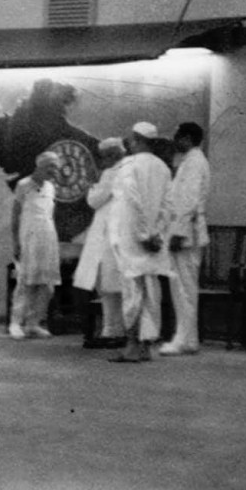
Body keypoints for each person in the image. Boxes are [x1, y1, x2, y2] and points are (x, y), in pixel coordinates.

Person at [109, 122, 173, 362]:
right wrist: (157, 233)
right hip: (154, 240)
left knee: (132, 292)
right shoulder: (163, 168)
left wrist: (145, 235)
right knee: (151, 292)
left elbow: (133, 202)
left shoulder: (129, 166)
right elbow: (168, 206)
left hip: (133, 238)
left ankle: (132, 345)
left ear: (135, 140)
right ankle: (146, 346)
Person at [159, 123, 210, 355]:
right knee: (183, 289)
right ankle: (188, 338)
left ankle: (184, 339)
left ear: (187, 138)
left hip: (186, 233)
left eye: (178, 137)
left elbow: (188, 200)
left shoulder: (194, 163)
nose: (175, 141)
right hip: (185, 231)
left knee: (183, 289)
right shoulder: (191, 161)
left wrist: (178, 232)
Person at [73, 138, 127, 349]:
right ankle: (113, 330)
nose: (102, 160)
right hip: (116, 233)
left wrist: (91, 186)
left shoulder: (111, 173)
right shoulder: (128, 169)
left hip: (108, 235)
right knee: (112, 286)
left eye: (104, 156)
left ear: (112, 155)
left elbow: (94, 200)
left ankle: (113, 331)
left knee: (108, 285)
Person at [9, 151, 62, 340]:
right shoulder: (23, 185)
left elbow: (50, 215)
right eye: (50, 166)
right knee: (26, 282)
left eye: (56, 166)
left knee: (47, 285)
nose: (54, 170)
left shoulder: (51, 187)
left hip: (47, 238)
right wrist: (16, 242)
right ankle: (16, 324)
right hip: (28, 238)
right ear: (39, 166)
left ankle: (33, 324)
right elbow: (15, 216)